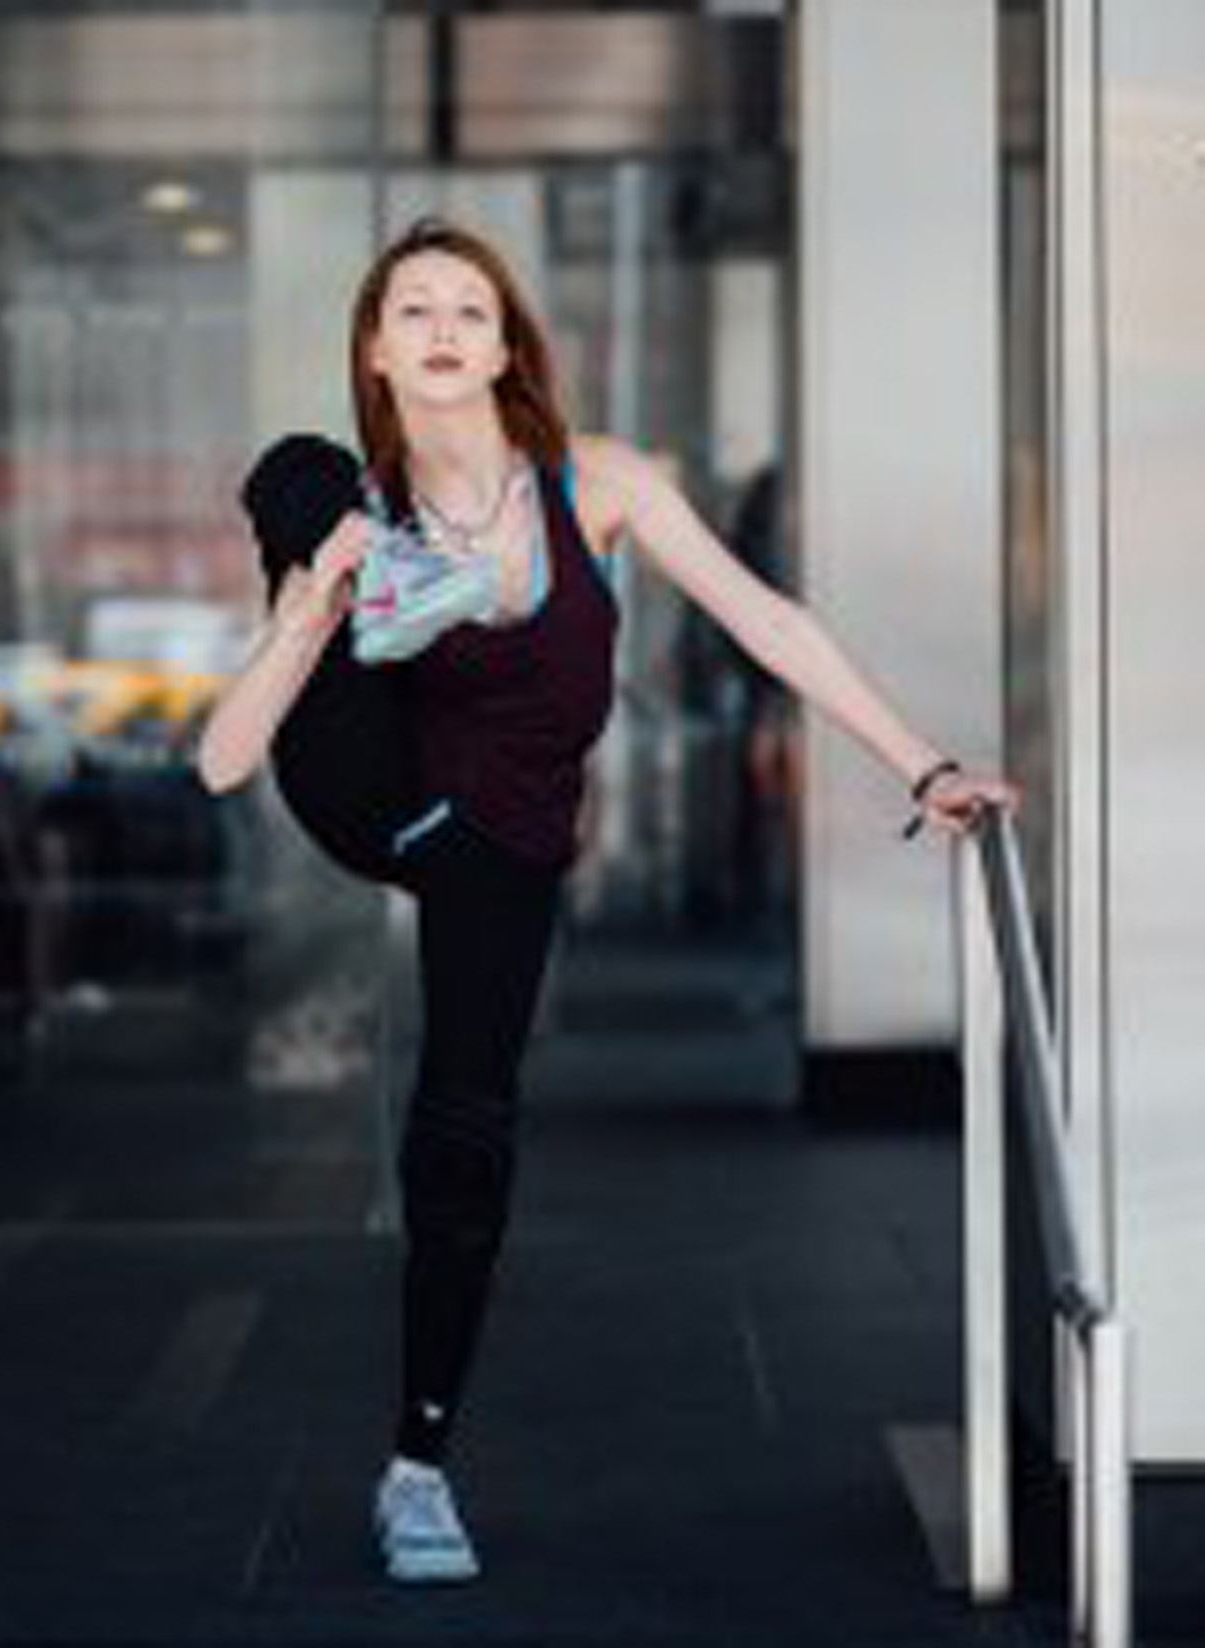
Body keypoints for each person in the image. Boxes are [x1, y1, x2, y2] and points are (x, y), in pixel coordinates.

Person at [196, 216, 1016, 1585]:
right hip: (373, 780)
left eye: (472, 309)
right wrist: (311, 596)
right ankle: (372, 584)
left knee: (468, 1133)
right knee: (301, 478)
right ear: (378, 350)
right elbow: (226, 760)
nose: (446, 328)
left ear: (508, 346)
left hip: (500, 839)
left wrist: (923, 762)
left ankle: (417, 1467)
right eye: (415, 311)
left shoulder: (600, 485)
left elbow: (768, 622)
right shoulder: (359, 499)